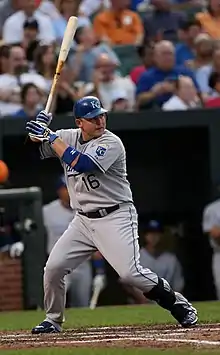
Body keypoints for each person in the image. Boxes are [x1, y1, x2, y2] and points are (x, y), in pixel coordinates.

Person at [26, 95, 198, 334]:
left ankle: (177, 303)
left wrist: (50, 135)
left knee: (130, 274)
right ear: (79, 122)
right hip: (83, 221)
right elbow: (36, 148)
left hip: (115, 215)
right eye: (92, 118)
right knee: (53, 268)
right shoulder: (68, 136)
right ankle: (53, 319)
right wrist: (37, 130)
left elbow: (82, 163)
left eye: (101, 116)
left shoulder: (111, 142)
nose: (99, 121)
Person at [43, 175, 93, 308]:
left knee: (82, 304)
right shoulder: (47, 211)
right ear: (59, 190)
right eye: (66, 188)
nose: (70, 191)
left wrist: (100, 268)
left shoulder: (87, 208)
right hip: (59, 263)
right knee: (55, 303)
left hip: (82, 264)